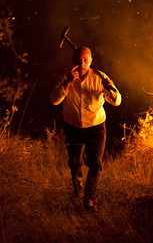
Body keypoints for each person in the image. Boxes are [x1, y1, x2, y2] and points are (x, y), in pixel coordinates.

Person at [49, 46, 121, 211]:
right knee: (75, 164)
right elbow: (53, 100)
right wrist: (67, 83)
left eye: (85, 61)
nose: (82, 64)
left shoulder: (100, 77)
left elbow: (117, 101)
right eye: (78, 60)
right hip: (73, 126)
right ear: (73, 61)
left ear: (90, 61)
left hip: (96, 126)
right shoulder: (66, 77)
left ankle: (89, 199)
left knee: (95, 164)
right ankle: (78, 192)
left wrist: (112, 90)